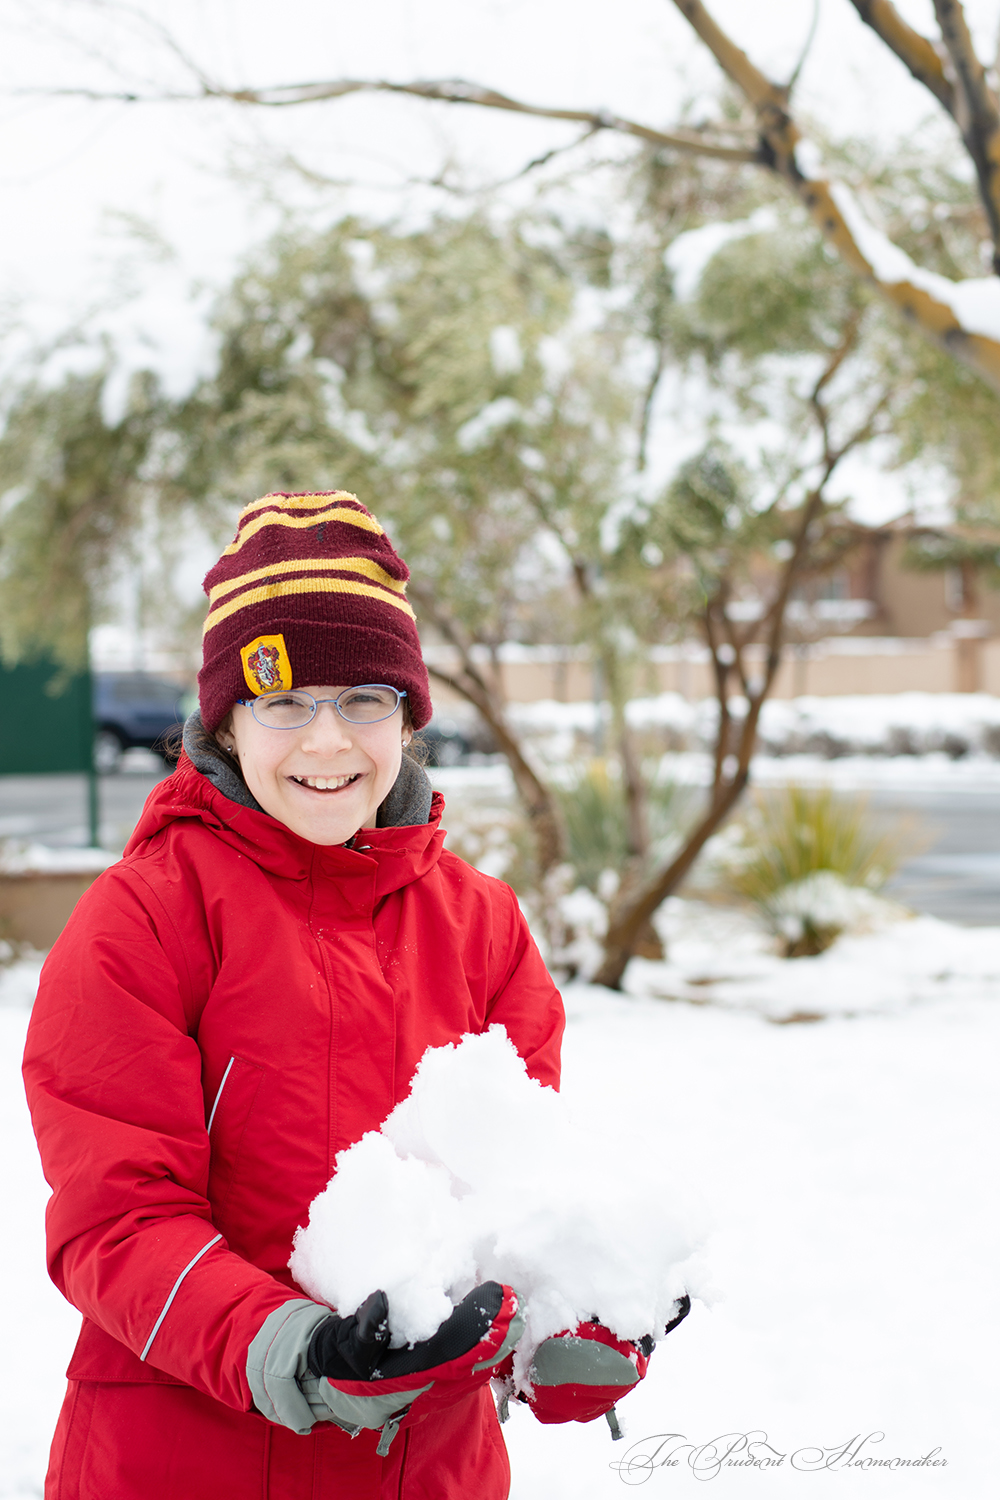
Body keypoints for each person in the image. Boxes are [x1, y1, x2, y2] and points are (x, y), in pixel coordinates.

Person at [24, 489, 679, 1500]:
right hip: (179, 1463)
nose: (327, 743)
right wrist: (297, 1349)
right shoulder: (144, 919)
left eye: (363, 700)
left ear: (408, 718)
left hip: (426, 1473)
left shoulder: (484, 929)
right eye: (283, 702)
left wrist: (571, 1321)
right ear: (227, 720)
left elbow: (508, 1211)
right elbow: (114, 1224)